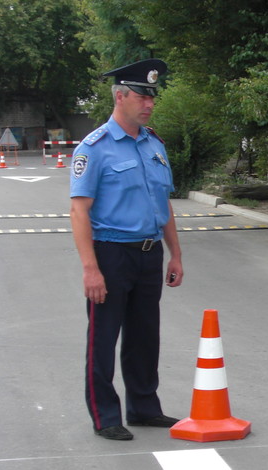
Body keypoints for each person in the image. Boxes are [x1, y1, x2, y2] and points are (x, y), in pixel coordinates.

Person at [70, 58, 183, 441]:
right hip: (111, 254)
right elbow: (79, 211)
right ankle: (105, 416)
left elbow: (163, 204)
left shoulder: (153, 144)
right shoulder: (94, 147)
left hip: (150, 254)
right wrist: (90, 268)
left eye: (152, 97)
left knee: (144, 335)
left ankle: (144, 407)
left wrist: (176, 255)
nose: (149, 104)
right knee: (103, 338)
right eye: (141, 96)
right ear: (120, 96)